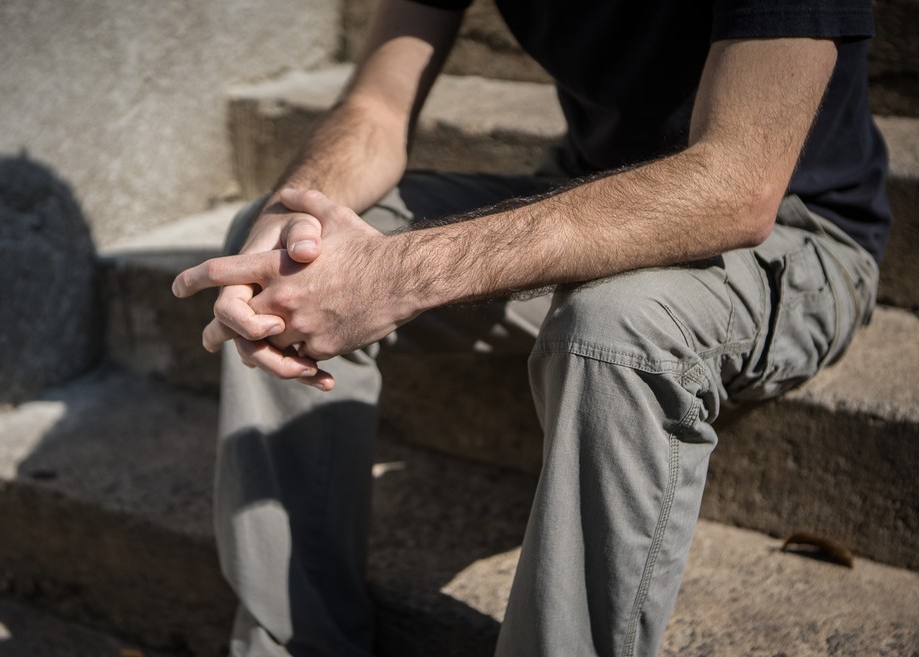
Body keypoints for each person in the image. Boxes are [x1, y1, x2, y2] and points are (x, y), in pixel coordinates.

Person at [172, 0, 891, 655]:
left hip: (792, 234)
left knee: (614, 325)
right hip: (582, 194)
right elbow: (374, 106)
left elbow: (736, 184)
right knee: (283, 258)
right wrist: (282, 232)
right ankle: (293, 644)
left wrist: (400, 272)